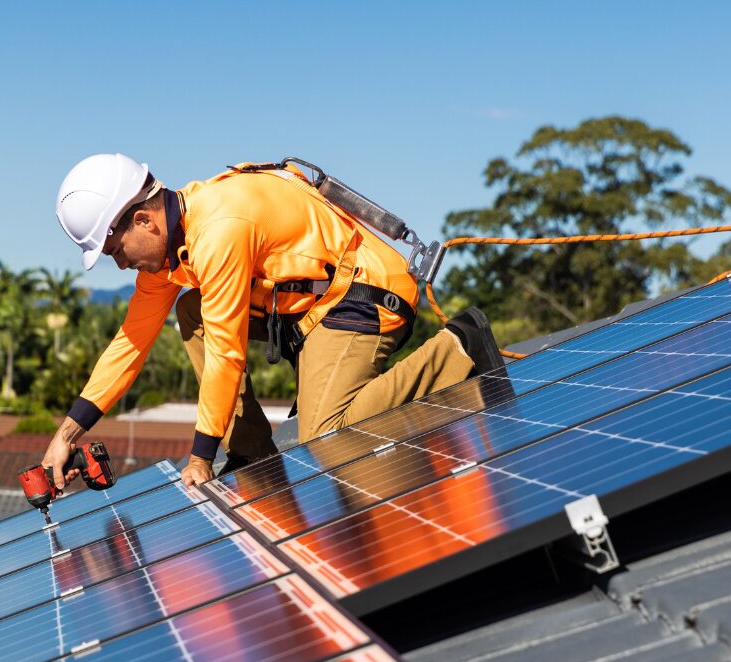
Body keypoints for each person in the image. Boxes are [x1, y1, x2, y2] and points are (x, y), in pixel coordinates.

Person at [42, 153, 502, 490]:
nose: (120, 265)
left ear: (144, 221)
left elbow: (227, 349)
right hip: (311, 311)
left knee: (327, 435)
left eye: (116, 251)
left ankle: (457, 347)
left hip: (363, 295)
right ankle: (252, 454)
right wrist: (67, 434)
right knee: (191, 310)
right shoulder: (171, 253)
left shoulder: (220, 227)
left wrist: (201, 456)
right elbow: (131, 341)